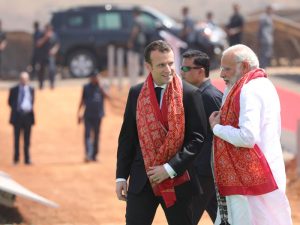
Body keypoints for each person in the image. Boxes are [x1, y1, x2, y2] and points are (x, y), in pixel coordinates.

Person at [116, 40, 207, 225]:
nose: (168, 69)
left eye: (171, 63)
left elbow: (197, 139)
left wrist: (169, 168)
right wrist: (121, 176)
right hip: (142, 180)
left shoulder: (190, 94)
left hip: (178, 180)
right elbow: (127, 136)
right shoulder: (136, 93)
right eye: (161, 65)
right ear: (148, 66)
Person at [209, 44, 292, 225]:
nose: (222, 74)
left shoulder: (248, 90)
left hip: (253, 178)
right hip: (265, 173)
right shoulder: (263, 84)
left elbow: (247, 137)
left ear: (244, 66)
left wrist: (217, 128)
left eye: (227, 69)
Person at [181, 49, 222, 224]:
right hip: (201, 169)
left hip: (204, 171)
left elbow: (219, 134)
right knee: (219, 215)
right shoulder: (198, 94)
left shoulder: (209, 96)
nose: (182, 73)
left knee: (186, 217)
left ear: (200, 71)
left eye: (186, 69)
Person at [77, 71, 109, 162]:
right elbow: (82, 100)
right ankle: (88, 154)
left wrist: (102, 88)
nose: (95, 79)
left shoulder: (101, 87)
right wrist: (78, 113)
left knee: (96, 135)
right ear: (90, 78)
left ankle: (94, 155)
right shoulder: (86, 87)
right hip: (88, 115)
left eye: (96, 77)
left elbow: (107, 97)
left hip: (98, 115)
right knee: (87, 135)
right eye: (93, 77)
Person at [8, 72, 35, 165]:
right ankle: (16, 159)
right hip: (17, 117)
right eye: (22, 79)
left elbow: (32, 101)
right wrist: (18, 109)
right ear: (20, 79)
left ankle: (27, 159)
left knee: (27, 140)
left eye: (26, 79)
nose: (24, 81)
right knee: (17, 139)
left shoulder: (31, 89)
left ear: (28, 80)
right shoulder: (14, 89)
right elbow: (10, 101)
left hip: (28, 117)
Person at [36, 23, 59, 89]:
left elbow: (57, 44)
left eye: (50, 29)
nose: (49, 31)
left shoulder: (54, 35)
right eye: (47, 29)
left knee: (52, 70)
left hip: (50, 56)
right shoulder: (40, 35)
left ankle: (52, 84)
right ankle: (41, 85)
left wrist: (54, 50)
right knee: (41, 70)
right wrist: (45, 37)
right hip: (42, 55)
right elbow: (38, 44)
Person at [128, 6, 148, 75]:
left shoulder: (136, 20)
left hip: (137, 40)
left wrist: (131, 41)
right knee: (141, 55)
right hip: (142, 39)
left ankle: (139, 70)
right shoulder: (142, 20)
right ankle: (142, 69)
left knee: (136, 55)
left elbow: (135, 31)